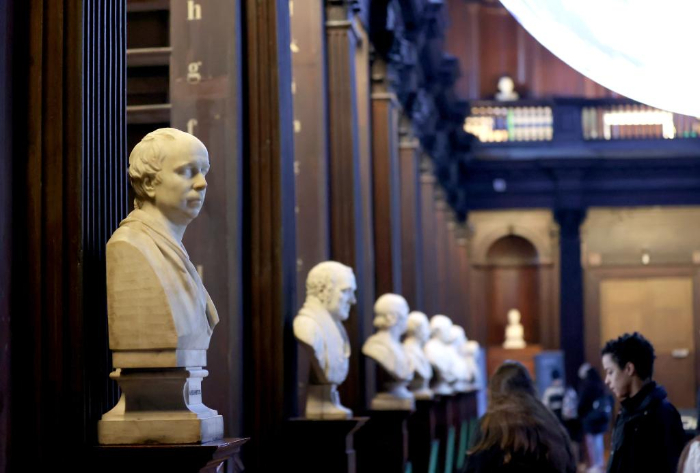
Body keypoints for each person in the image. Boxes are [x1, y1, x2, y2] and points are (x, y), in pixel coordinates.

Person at [106, 127, 219, 366]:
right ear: (149, 183)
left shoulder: (170, 248)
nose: (202, 183)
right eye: (187, 171)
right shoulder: (130, 248)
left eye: (203, 171)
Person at [463, 361, 576, 473]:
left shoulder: (487, 426)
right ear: (530, 387)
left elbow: (473, 467)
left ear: (494, 391)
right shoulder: (549, 421)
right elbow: (569, 464)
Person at [602, 332, 685, 473]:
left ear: (629, 369)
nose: (606, 380)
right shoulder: (626, 412)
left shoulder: (663, 414)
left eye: (610, 372)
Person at [293, 260, 357, 418]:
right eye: (346, 291)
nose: (353, 300)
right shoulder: (307, 327)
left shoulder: (335, 327)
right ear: (322, 291)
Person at [577, 364, 611, 472]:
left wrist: (581, 413)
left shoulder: (587, 385)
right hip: (600, 420)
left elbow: (582, 404)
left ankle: (595, 467)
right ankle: (599, 465)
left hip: (590, 421)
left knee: (592, 444)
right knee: (599, 443)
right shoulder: (600, 384)